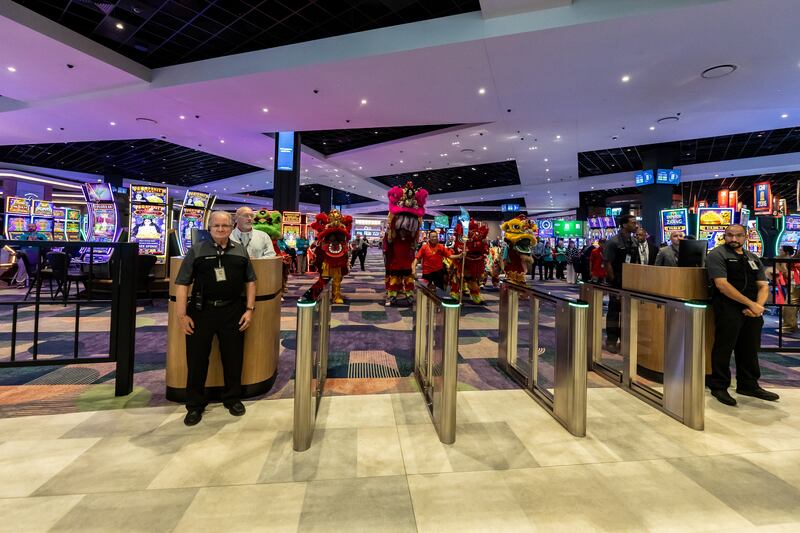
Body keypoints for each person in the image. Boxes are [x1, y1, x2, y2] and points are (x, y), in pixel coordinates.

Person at [174, 211, 257, 426]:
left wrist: (249, 309)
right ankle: (194, 405)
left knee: (233, 357)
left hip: (233, 311)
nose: (221, 229)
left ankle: (232, 398)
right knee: (197, 359)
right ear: (209, 228)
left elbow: (250, 281)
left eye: (225, 226)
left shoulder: (240, 251)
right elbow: (182, 283)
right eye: (216, 226)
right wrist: (182, 315)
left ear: (232, 227)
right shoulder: (197, 250)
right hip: (201, 312)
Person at [706, 224, 779, 406]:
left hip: (752, 310)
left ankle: (748, 384)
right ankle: (719, 386)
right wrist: (751, 304)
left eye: (738, 236)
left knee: (750, 347)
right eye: (730, 235)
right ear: (724, 236)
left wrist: (758, 306)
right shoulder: (717, 255)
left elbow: (763, 285)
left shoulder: (752, 257)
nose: (734, 239)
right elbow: (722, 285)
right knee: (724, 347)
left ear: (745, 237)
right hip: (728, 306)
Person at [603, 214, 639, 353]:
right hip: (616, 282)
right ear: (624, 224)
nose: (635, 225)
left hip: (630, 281)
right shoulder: (613, 242)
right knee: (614, 312)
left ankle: (625, 340)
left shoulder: (633, 241)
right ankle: (611, 340)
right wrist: (614, 281)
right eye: (633, 222)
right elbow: (607, 263)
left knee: (628, 312)